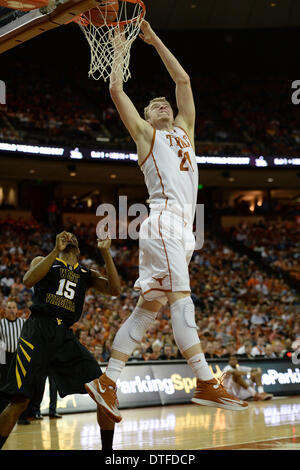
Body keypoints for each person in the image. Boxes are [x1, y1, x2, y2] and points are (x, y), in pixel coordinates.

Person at [84, 20, 248, 423]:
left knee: (146, 308)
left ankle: (108, 380)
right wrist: (121, 46)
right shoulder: (145, 135)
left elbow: (184, 80)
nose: (162, 104)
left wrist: (154, 40)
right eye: (154, 104)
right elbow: (115, 90)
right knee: (181, 299)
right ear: (146, 116)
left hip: (182, 232)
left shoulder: (185, 131)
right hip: (163, 224)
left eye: (166, 103)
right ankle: (205, 381)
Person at [0, 231, 121, 450]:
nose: (69, 237)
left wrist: (105, 253)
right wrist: (55, 250)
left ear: (79, 247)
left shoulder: (86, 273)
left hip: (64, 334)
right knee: (20, 400)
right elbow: (28, 280)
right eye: (65, 236)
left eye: (73, 236)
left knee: (103, 391)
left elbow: (115, 290)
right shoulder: (45, 261)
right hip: (38, 329)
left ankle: (108, 452)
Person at [0, 301, 26, 415]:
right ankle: (3, 412)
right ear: (5, 310)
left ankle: (22, 415)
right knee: (4, 385)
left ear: (17, 310)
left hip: (19, 357)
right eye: (9, 307)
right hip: (5, 357)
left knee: (21, 385)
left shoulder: (23, 322)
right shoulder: (1, 324)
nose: (11, 310)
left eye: (13, 307)